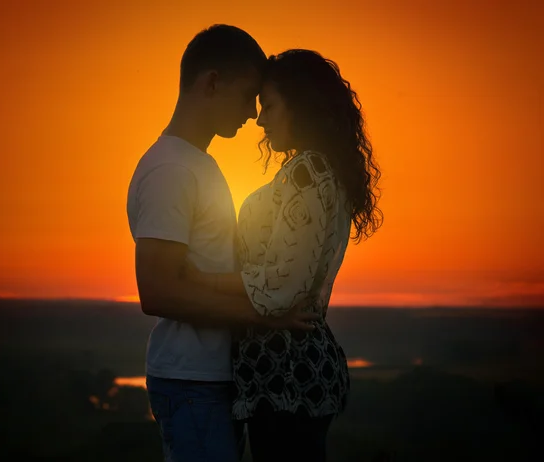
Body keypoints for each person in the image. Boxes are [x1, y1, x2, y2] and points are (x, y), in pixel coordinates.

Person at [126, 27, 319, 462]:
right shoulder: (171, 170)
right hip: (191, 382)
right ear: (211, 82)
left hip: (212, 379)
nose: (254, 114)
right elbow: (157, 291)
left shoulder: (198, 164)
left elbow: (206, 269)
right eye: (249, 94)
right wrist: (268, 317)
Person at [185, 49, 383, 462]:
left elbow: (283, 285)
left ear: (301, 105)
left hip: (284, 372)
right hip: (295, 367)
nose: (259, 120)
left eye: (269, 106)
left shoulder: (307, 171)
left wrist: (198, 277)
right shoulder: (326, 170)